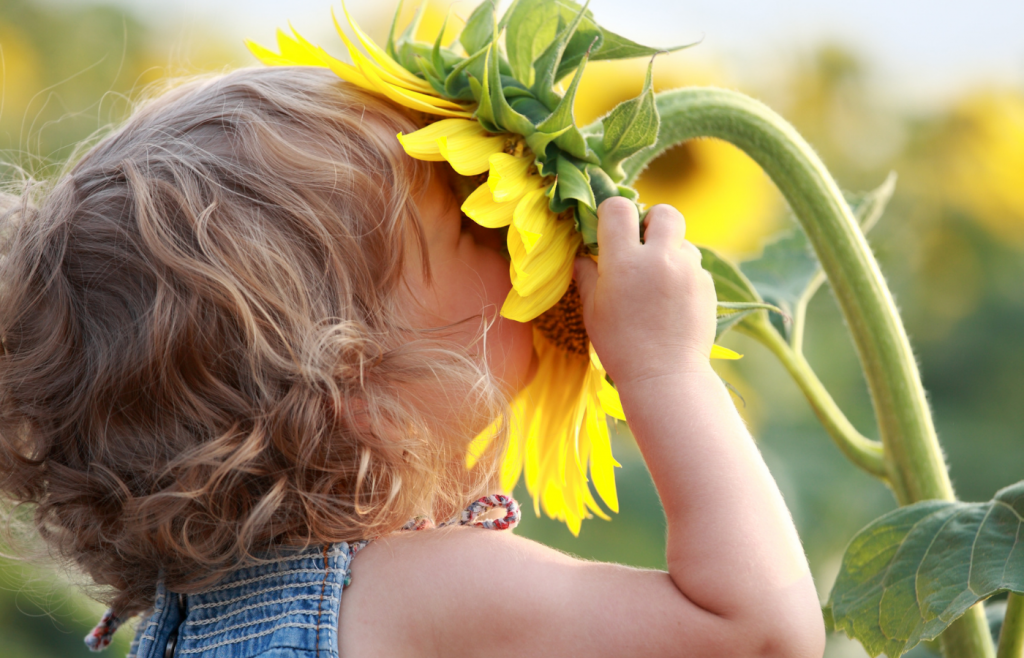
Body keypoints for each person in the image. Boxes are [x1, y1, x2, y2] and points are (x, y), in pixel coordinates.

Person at [0, 66, 825, 658]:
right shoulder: (423, 595)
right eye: (476, 225)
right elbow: (756, 632)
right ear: (361, 392)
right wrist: (666, 369)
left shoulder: (195, 613)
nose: (517, 248)